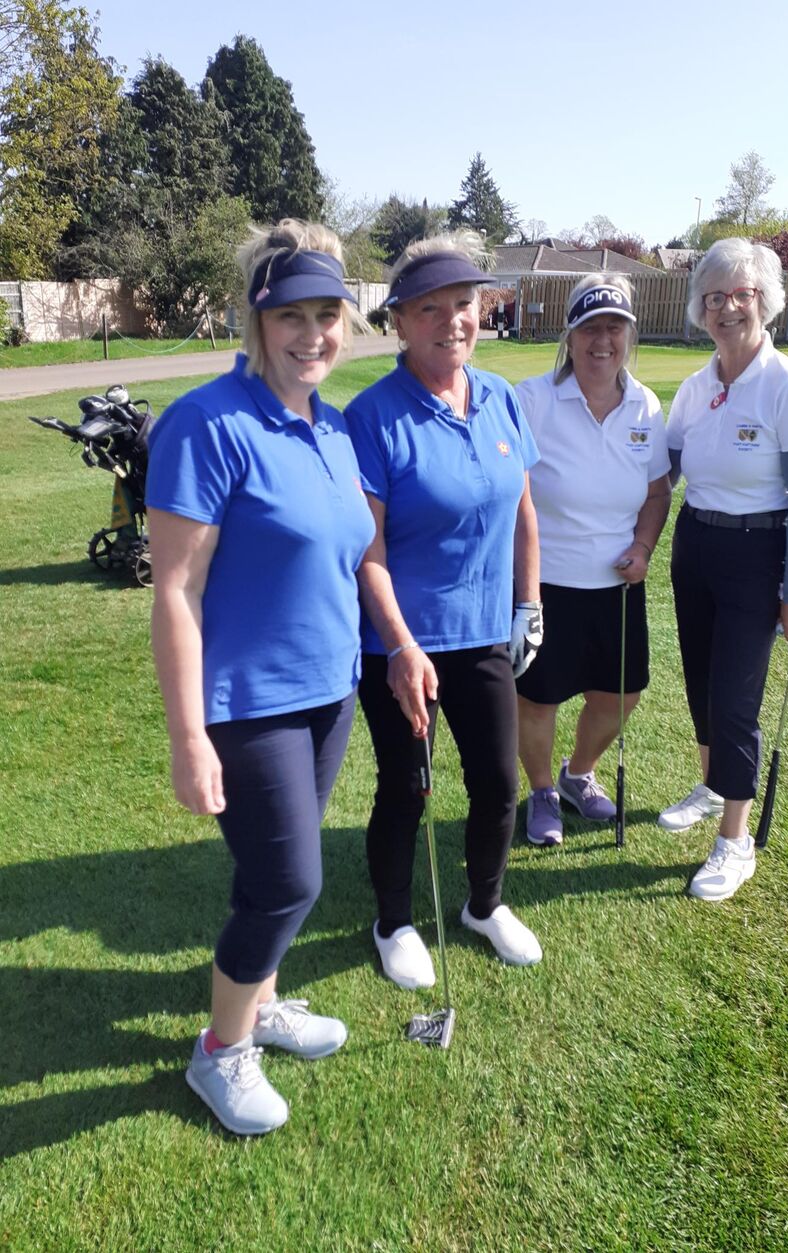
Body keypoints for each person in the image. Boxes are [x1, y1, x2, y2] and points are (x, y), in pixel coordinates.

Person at [146, 220, 375, 1135]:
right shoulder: (207, 423)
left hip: (330, 690)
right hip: (247, 703)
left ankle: (264, 1000)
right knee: (286, 882)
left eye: (328, 316)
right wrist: (188, 735)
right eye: (292, 316)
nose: (312, 335)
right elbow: (175, 588)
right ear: (257, 318)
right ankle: (220, 1050)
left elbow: (345, 558)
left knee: (279, 868)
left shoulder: (333, 426)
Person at [346, 231, 544, 991]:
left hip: (486, 631)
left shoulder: (499, 396)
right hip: (400, 643)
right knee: (407, 787)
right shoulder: (371, 416)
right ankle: (393, 922)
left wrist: (529, 603)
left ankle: (484, 905)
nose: (452, 321)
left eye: (463, 304)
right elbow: (368, 551)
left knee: (497, 782)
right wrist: (400, 646)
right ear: (398, 321)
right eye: (430, 309)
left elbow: (524, 512)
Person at [660, 238, 788, 901]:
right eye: (714, 297)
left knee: (735, 700)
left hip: (757, 555)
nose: (727, 307)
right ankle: (713, 786)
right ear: (700, 308)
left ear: (766, 301)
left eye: (742, 294)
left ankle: (735, 842)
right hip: (695, 545)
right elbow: (665, 473)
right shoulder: (695, 386)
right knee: (701, 683)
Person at [514, 275, 672, 846]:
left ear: (629, 335)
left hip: (619, 583)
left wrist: (644, 548)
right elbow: (512, 494)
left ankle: (578, 773)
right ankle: (541, 791)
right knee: (538, 698)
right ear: (570, 336)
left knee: (620, 695)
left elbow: (657, 493)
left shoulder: (645, 405)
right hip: (547, 580)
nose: (603, 341)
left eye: (615, 328)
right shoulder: (532, 400)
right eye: (590, 329)